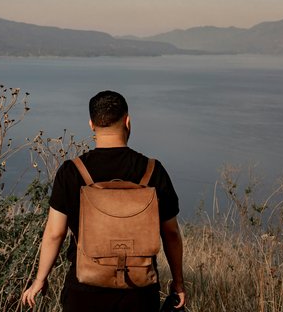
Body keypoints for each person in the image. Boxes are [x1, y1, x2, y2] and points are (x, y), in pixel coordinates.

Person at [22, 90, 185, 311]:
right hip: (139, 292)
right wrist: (178, 283)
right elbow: (171, 234)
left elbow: (54, 233)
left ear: (92, 125)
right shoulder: (153, 171)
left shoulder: (72, 172)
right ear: (127, 121)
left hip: (84, 290)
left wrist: (40, 279)